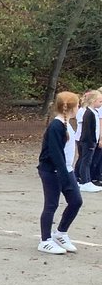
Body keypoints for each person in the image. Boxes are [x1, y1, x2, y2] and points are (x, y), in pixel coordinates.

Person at [36, 91, 82, 254]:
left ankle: (60, 233)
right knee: (51, 204)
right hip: (52, 171)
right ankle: (45, 240)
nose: (79, 108)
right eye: (78, 105)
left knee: (76, 201)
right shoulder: (56, 126)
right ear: (71, 107)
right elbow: (55, 153)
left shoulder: (66, 123)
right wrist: (63, 176)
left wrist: (68, 173)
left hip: (65, 170)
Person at [77, 90, 101, 192]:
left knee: (87, 161)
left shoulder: (94, 112)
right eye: (100, 101)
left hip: (92, 141)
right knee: (85, 161)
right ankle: (85, 181)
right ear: (93, 101)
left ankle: (86, 180)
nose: (101, 104)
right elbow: (87, 130)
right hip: (88, 142)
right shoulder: (88, 113)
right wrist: (91, 142)